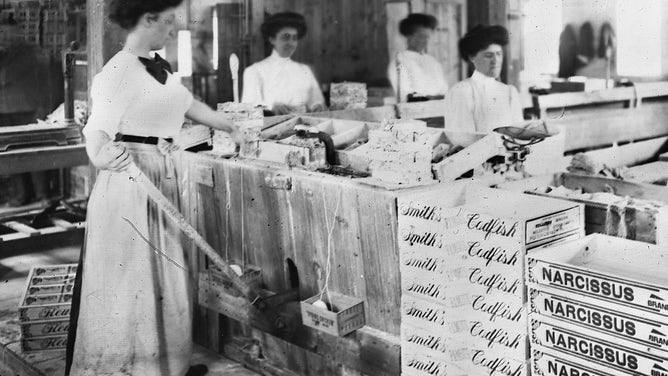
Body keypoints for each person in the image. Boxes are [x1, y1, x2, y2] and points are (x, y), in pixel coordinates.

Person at [65, 0, 242, 375]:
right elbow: (97, 129)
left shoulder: (160, 72)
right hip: (130, 179)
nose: (171, 29)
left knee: (166, 273)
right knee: (133, 278)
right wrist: (98, 156)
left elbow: (188, 105)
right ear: (146, 20)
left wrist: (229, 125)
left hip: (160, 173)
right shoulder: (118, 71)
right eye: (165, 22)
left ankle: (166, 366)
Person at [241, 12, 325, 115]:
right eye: (285, 37)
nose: (291, 43)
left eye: (294, 38)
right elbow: (248, 108)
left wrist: (317, 106)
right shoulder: (254, 71)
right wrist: (271, 107)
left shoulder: (305, 70)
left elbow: (317, 100)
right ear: (272, 39)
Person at [443, 25, 523, 133]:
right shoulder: (462, 91)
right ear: (472, 57)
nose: (495, 61)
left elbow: (519, 132)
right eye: (488, 55)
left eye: (499, 54)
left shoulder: (509, 91)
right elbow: (462, 138)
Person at [387, 13, 448, 103]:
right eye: (420, 36)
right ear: (408, 36)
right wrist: (432, 99)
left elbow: (444, 90)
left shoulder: (433, 62)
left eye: (427, 37)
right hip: (415, 112)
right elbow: (405, 95)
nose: (425, 41)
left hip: (440, 110)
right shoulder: (400, 61)